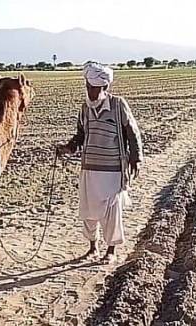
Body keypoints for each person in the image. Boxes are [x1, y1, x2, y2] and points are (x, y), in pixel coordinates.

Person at [56, 62, 143, 264]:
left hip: (112, 169)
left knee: (111, 212)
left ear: (104, 87)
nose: (91, 92)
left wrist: (136, 158)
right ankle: (93, 248)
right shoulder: (85, 109)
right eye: (88, 88)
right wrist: (67, 148)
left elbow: (133, 133)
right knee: (88, 211)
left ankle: (110, 250)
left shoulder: (118, 105)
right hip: (89, 168)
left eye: (94, 89)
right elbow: (81, 135)